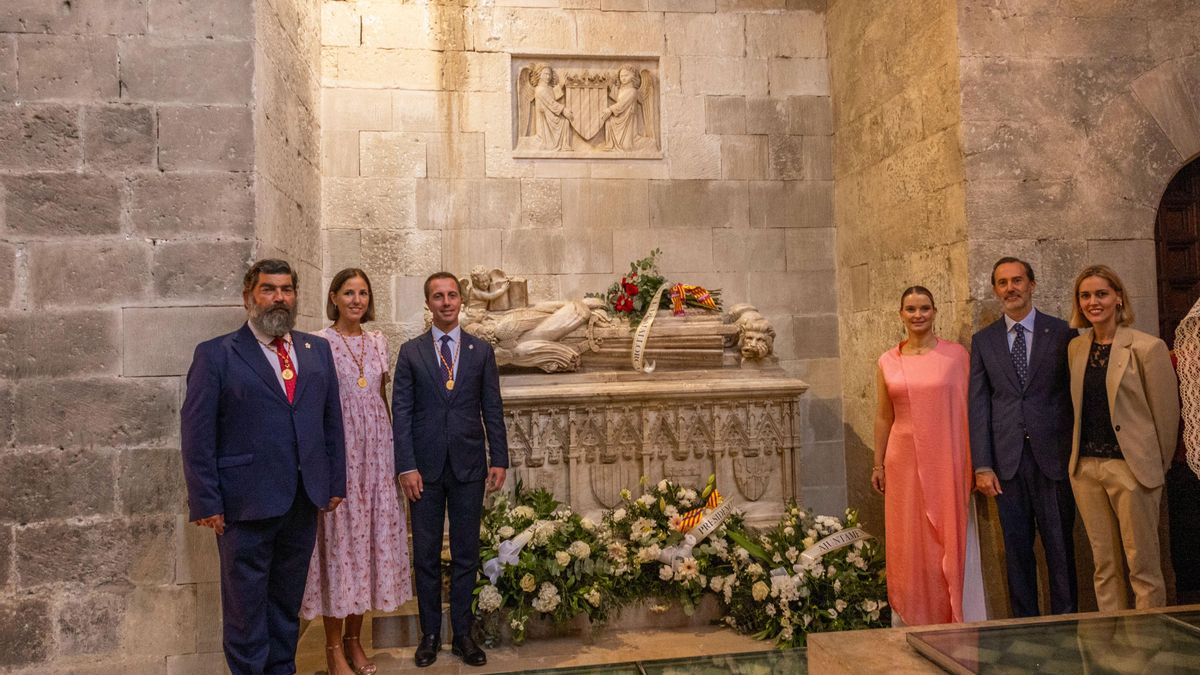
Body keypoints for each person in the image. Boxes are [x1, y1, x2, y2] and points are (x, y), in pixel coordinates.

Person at [181, 259, 346, 675]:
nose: (279, 298)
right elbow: (197, 432)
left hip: (302, 501)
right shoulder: (217, 354)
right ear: (248, 297)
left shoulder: (316, 350)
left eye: (287, 290)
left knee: (285, 606)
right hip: (244, 505)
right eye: (269, 289)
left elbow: (331, 422)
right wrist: (206, 500)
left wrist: (334, 481)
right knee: (245, 612)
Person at [393, 272, 508, 668]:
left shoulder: (479, 351)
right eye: (438, 296)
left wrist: (500, 458)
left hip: (469, 466)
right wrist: (405, 465)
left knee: (465, 553)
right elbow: (401, 414)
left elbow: (491, 407)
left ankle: (462, 634)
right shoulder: (410, 352)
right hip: (422, 471)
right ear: (428, 303)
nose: (446, 302)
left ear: (461, 301)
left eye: (452, 295)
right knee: (424, 555)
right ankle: (428, 635)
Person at [302, 269, 412, 675]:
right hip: (341, 456)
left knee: (369, 552)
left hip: (377, 460)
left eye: (363, 292)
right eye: (348, 292)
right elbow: (315, 407)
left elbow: (382, 398)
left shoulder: (378, 341)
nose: (356, 300)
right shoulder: (318, 343)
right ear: (334, 297)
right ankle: (333, 647)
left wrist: (395, 456)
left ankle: (355, 640)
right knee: (340, 551)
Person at [968, 257, 1078, 617]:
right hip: (1007, 464)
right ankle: (1023, 626)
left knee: (1060, 548)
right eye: (1002, 283)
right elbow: (979, 405)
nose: (1010, 288)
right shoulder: (983, 341)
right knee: (1015, 551)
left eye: (1017, 280)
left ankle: (1066, 623)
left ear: (1032, 284)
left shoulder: (1062, 333)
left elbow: (1074, 398)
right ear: (995, 289)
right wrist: (983, 464)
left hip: (1054, 460)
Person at [871, 286, 986, 626]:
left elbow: (970, 412)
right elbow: (883, 416)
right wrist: (878, 463)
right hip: (902, 462)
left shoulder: (957, 357)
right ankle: (911, 616)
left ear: (935, 312)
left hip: (946, 459)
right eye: (911, 308)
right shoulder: (887, 361)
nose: (918, 314)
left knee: (945, 539)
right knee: (908, 540)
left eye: (924, 308)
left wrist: (973, 463)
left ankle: (951, 613)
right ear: (901, 314)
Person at [1067, 265, 1179, 610]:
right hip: (1086, 468)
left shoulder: (1148, 347)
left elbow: (1166, 415)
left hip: (1131, 469)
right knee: (1104, 566)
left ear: (1118, 298)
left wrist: (1153, 467)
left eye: (1101, 294)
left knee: (1142, 566)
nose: (1093, 302)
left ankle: (1150, 647)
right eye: (1085, 295)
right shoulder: (1076, 348)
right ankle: (1112, 650)